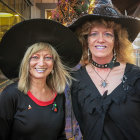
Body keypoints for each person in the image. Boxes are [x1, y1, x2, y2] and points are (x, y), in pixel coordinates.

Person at [0, 19, 82, 140]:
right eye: (35, 57)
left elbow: (60, 135)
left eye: (48, 57)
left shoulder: (58, 95)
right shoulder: (11, 95)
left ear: (54, 64)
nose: (42, 63)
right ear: (26, 63)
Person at [69, 3, 140, 140]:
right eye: (93, 34)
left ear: (117, 41)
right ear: (86, 40)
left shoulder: (136, 77)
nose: (100, 39)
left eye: (108, 34)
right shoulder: (77, 80)